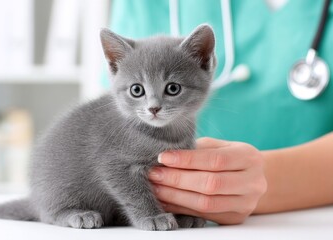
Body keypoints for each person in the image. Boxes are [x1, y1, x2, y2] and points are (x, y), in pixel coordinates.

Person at [107, 0, 333, 224]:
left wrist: (268, 180)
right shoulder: (140, 5)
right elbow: (110, 131)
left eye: (172, 88)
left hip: (311, 221)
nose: (153, 105)